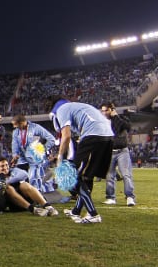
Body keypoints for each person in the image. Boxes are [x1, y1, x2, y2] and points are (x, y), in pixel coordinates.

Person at [48, 96, 113, 224]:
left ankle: (93, 214)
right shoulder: (78, 106)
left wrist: (60, 157)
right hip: (108, 137)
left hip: (93, 136)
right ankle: (76, 211)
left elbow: (66, 136)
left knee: (75, 176)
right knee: (87, 177)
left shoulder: (61, 110)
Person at [99, 102, 136, 206]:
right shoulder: (102, 122)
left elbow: (125, 127)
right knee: (109, 176)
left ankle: (130, 197)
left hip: (122, 151)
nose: (104, 112)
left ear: (112, 109)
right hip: (109, 152)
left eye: (106, 110)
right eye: (102, 110)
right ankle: (110, 197)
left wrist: (115, 116)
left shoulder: (121, 119)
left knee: (126, 175)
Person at [9, 114, 56, 193]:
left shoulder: (35, 128)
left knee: (34, 179)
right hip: (22, 159)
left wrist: (42, 149)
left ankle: (38, 197)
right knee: (19, 178)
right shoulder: (15, 132)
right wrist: (15, 156)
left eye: (16, 125)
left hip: (34, 158)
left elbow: (51, 139)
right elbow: (15, 145)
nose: (14, 127)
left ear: (22, 122)